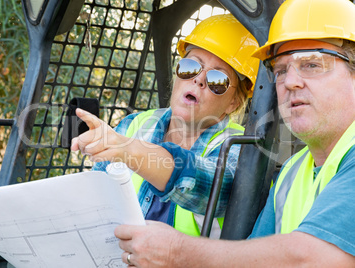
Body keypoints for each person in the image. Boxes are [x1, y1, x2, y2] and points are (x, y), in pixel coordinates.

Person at [113, 0, 355, 266]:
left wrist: (176, 253)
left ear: (233, 104)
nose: (291, 81)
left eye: (312, 64)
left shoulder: (242, 149)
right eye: (281, 70)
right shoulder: (293, 172)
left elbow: (314, 258)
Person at [71, 14, 259, 238]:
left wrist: (132, 151)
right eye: (191, 67)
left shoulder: (241, 146)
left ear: (233, 102)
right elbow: (97, 202)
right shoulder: (135, 124)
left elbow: (210, 188)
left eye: (217, 80)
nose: (198, 80)